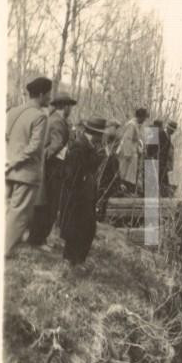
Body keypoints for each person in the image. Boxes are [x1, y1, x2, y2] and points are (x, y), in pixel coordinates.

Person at [5, 76, 52, 257]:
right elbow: (34, 146)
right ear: (41, 95)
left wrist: (9, 161)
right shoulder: (40, 116)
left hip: (9, 169)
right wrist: (17, 160)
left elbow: (5, 137)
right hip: (26, 172)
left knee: (8, 210)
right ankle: (3, 251)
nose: (49, 98)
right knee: (19, 214)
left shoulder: (13, 111)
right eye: (48, 95)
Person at [28, 92, 77, 249]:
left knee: (45, 204)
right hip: (54, 170)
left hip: (50, 168)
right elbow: (56, 144)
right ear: (65, 106)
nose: (70, 110)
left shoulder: (53, 118)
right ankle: (38, 239)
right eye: (70, 106)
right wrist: (45, 160)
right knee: (50, 205)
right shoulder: (58, 122)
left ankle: (37, 237)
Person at [59, 117, 106, 269]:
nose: (101, 139)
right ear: (95, 134)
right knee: (77, 227)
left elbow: (88, 167)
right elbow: (73, 174)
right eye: (100, 135)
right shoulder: (79, 146)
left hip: (86, 193)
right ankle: (71, 259)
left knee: (87, 228)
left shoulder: (88, 145)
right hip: (78, 195)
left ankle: (78, 259)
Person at [117, 108, 148, 195]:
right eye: (144, 118)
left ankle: (127, 189)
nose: (144, 120)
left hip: (133, 153)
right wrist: (128, 154)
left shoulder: (136, 125)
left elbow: (136, 139)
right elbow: (127, 139)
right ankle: (122, 190)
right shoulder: (132, 124)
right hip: (127, 154)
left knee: (130, 174)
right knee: (124, 172)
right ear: (140, 117)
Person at [95, 124, 122, 219]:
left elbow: (116, 175)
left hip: (106, 186)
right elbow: (116, 175)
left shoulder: (111, 156)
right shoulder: (102, 154)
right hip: (102, 185)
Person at [157, 119, 177, 196]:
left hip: (164, 164)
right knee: (160, 180)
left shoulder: (168, 136)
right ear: (168, 128)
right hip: (159, 163)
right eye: (171, 130)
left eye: (173, 131)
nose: (172, 132)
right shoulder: (161, 134)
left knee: (164, 181)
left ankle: (164, 194)